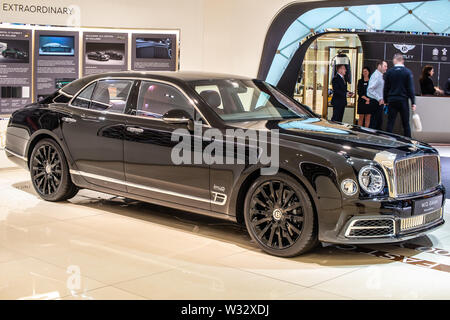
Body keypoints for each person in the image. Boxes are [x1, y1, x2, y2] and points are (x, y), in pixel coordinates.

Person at [383, 53, 416, 138]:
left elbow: (386, 88)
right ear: (402, 61)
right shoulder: (407, 72)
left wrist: (385, 101)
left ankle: (387, 142)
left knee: (390, 123)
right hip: (403, 101)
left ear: (394, 60)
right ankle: (408, 143)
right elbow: (410, 89)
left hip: (392, 100)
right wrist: (413, 102)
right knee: (405, 124)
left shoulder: (389, 72)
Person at [367, 60, 388, 130]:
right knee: (374, 123)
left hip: (379, 102)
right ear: (379, 66)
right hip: (375, 102)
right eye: (385, 66)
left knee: (378, 123)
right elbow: (370, 89)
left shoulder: (380, 75)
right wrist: (379, 98)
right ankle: (370, 138)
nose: (386, 68)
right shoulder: (376, 76)